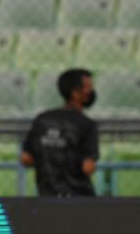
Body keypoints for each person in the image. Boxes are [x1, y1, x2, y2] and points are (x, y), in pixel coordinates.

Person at [20, 68, 98, 197]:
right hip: (80, 198)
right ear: (75, 92)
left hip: (47, 194)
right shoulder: (87, 124)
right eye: (88, 87)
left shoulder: (42, 119)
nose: (91, 92)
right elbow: (88, 168)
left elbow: (26, 159)